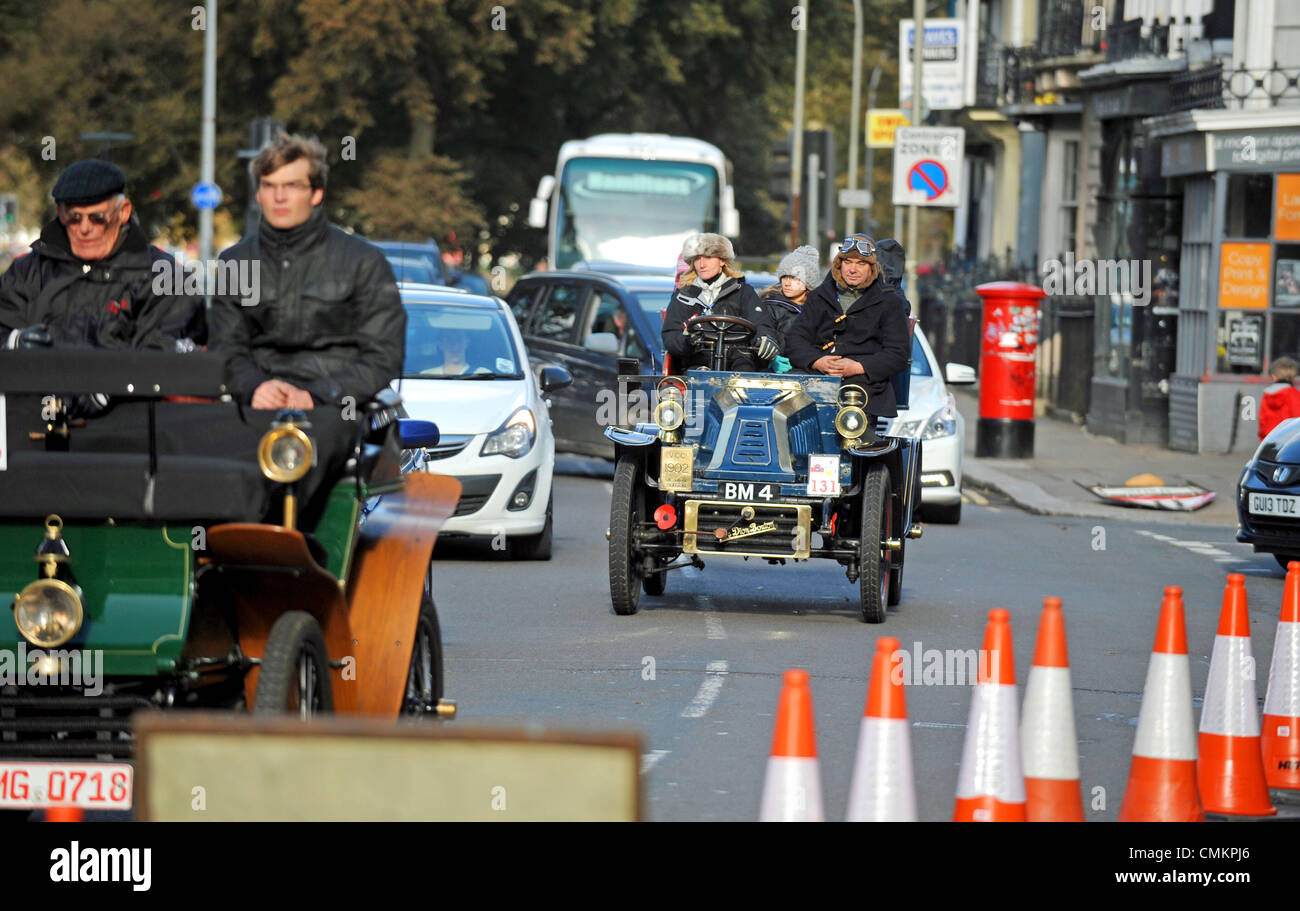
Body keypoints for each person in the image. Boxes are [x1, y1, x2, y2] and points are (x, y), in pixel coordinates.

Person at [208, 133, 404, 410]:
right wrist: (254, 387)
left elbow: (383, 356)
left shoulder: (364, 261)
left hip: (339, 413)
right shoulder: (236, 262)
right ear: (258, 194)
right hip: (255, 409)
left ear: (317, 193)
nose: (279, 197)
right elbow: (225, 348)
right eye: (269, 185)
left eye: (292, 185)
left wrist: (318, 395)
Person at [0, 158, 203, 354]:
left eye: (97, 218)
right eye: (74, 217)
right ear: (60, 214)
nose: (84, 228)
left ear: (123, 212)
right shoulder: (28, 272)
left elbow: (160, 360)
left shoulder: (166, 280)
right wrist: (14, 343)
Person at [784, 234, 910, 419]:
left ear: (871, 268)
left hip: (865, 391)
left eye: (861, 264)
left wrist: (859, 367)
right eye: (848, 262)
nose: (852, 269)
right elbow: (795, 340)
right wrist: (818, 361)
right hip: (814, 380)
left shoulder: (889, 302)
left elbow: (897, 353)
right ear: (838, 264)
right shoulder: (818, 297)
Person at [661, 233, 777, 372]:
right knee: (697, 378)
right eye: (697, 259)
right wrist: (688, 340)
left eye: (708, 257)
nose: (702, 264)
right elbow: (670, 335)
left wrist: (764, 339)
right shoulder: (683, 296)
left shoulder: (743, 292)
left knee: (745, 371)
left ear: (723, 261)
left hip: (739, 359)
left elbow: (762, 324)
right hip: (698, 359)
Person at [761, 245, 820, 373]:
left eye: (795, 278)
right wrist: (770, 360)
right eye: (784, 277)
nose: (787, 283)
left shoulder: (818, 309)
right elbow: (761, 340)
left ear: (807, 283)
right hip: (774, 374)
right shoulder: (769, 306)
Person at [1260, 356, 1300, 439]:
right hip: (1288, 441)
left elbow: (1262, 422)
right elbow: (1297, 422)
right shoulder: (1295, 395)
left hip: (1269, 440)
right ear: (1294, 377)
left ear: (1274, 376)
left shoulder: (1267, 395)